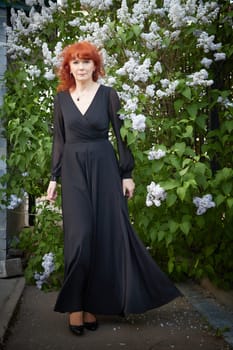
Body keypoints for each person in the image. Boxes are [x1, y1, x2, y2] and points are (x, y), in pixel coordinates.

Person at [47, 41, 181, 336]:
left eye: (86, 62)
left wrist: (127, 173)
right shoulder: (61, 99)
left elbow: (121, 137)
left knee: (106, 235)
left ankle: (92, 304)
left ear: (95, 66)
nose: (80, 67)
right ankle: (75, 307)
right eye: (75, 62)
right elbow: (59, 140)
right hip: (73, 170)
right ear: (68, 67)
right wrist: (53, 178)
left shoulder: (108, 95)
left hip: (105, 168)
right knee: (80, 238)